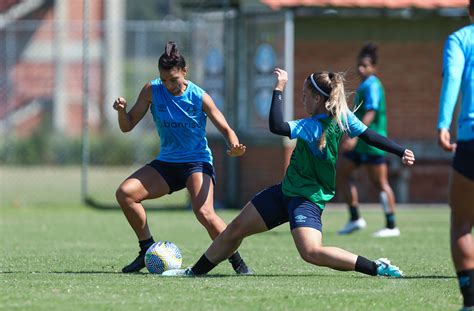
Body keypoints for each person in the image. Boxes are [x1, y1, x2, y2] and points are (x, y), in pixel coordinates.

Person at [162, 67, 415, 278]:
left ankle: (376, 267)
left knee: (311, 252)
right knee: (234, 229)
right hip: (286, 191)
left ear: (317, 99)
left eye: (304, 95)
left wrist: (278, 88)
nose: (302, 99)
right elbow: (370, 136)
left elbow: (277, 126)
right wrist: (401, 150)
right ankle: (193, 273)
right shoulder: (342, 117)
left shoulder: (313, 126)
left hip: (307, 199)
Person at [113, 41, 252, 275]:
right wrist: (120, 112)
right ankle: (146, 250)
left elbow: (226, 128)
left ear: (185, 72)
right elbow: (127, 126)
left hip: (196, 162)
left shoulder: (199, 96)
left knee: (205, 213)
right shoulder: (151, 90)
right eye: (164, 80)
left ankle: (237, 262)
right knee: (125, 194)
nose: (168, 85)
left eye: (174, 80)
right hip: (167, 163)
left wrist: (235, 145)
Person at [337, 42, 400, 237]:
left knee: (380, 183)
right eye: (359, 64)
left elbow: (371, 111)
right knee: (341, 173)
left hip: (372, 143)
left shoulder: (372, 85)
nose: (360, 68)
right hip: (361, 145)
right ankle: (355, 218)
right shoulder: (364, 84)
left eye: (365, 65)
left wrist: (355, 135)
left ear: (374, 67)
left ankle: (391, 226)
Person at [437, 2, 474, 311]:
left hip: (471, 137)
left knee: (462, 223)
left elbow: (453, 78)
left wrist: (443, 123)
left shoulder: (461, 39)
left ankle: (469, 303)